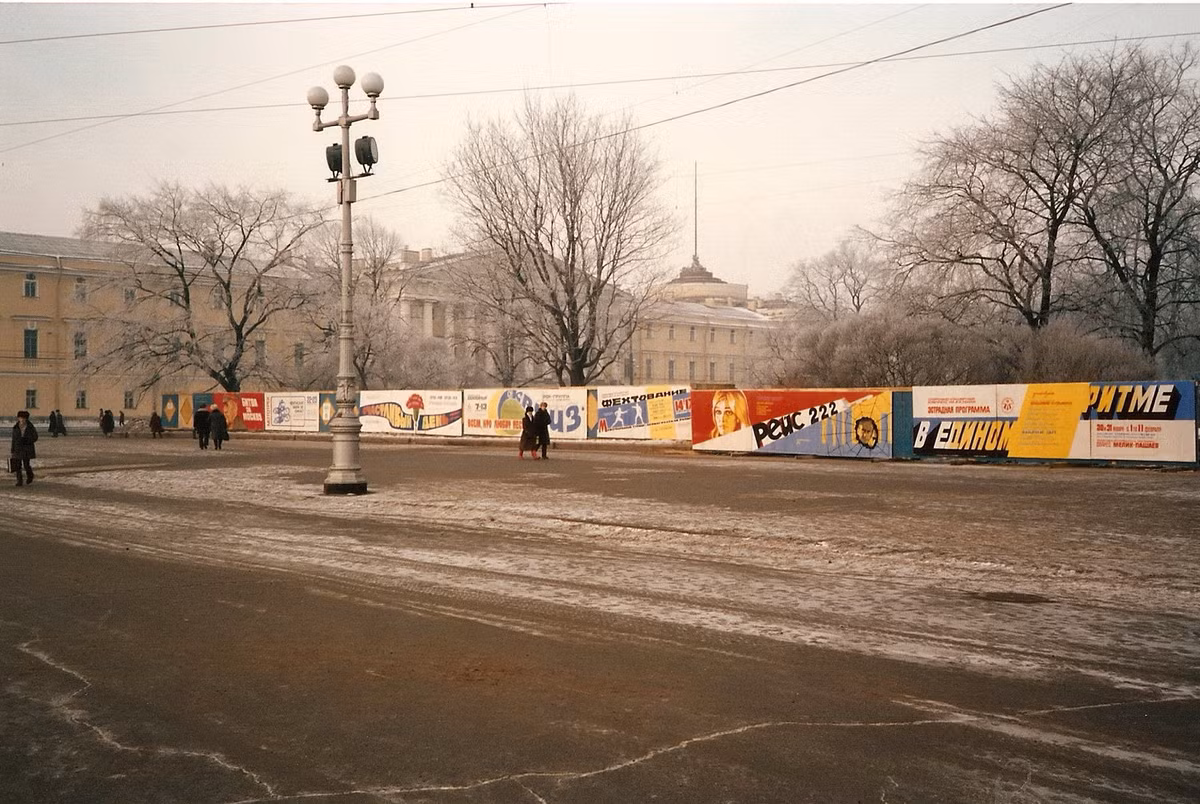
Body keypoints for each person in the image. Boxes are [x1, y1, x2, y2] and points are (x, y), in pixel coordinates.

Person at [10, 410, 38, 487]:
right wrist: (12, 450)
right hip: (18, 448)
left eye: (23, 418)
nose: (21, 420)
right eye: (20, 418)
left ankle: (30, 476)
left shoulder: (30, 427)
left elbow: (35, 437)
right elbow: (13, 439)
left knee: (26, 465)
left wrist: (27, 440)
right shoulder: (15, 427)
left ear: (26, 419)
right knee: (17, 466)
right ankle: (19, 481)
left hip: (26, 448)